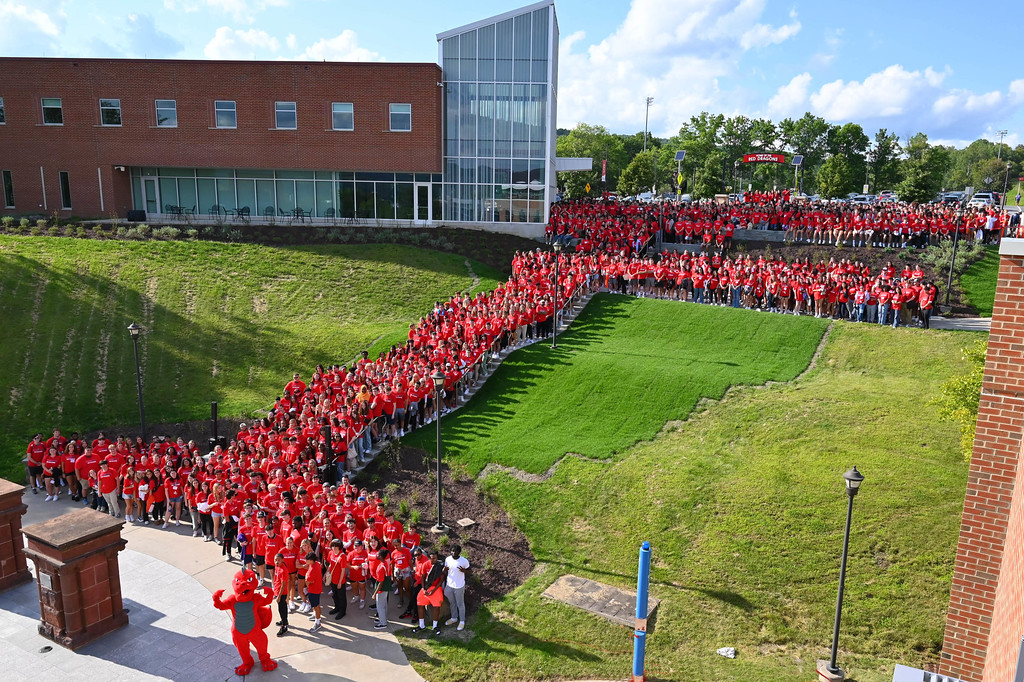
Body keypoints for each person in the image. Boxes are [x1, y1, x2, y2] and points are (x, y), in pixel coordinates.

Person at [411, 550, 445, 636]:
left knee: (437, 607)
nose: (434, 560)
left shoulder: (440, 565)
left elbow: (441, 580)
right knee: (419, 603)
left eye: (435, 558)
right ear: (429, 558)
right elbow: (423, 577)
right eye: (432, 558)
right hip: (426, 587)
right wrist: (423, 589)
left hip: (436, 588)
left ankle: (435, 626)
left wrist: (433, 590)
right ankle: (422, 625)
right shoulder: (425, 564)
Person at [443, 544, 470, 631]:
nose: (453, 552)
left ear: (459, 552)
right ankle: (454, 618)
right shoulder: (447, 559)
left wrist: (464, 571)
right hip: (449, 585)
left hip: (459, 586)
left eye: (455, 551)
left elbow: (471, 572)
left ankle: (462, 621)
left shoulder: (464, 561)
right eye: (452, 550)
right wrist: (444, 570)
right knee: (452, 602)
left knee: (460, 604)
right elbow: (445, 570)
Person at [370, 548, 392, 630]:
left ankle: (383, 623)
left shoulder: (381, 568)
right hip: (385, 588)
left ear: (381, 557)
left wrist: (375, 593)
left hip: (381, 589)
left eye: (378, 554)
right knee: (384, 605)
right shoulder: (385, 563)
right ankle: (383, 618)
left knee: (380, 607)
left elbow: (380, 582)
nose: (377, 555)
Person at [304, 551, 324, 633]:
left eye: (307, 560)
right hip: (317, 589)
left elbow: (307, 582)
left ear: (311, 560)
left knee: (316, 606)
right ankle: (315, 615)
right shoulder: (316, 564)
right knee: (314, 604)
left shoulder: (312, 569)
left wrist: (306, 578)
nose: (306, 562)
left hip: (314, 590)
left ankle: (318, 622)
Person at [272, 552, 290, 637]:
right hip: (277, 590)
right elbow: (276, 579)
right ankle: (283, 621)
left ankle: (284, 626)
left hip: (282, 593)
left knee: (282, 609)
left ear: (282, 560)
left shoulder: (284, 570)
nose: (276, 562)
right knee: (281, 608)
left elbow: (283, 584)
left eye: (278, 560)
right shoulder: (277, 566)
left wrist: (279, 596)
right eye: (275, 560)